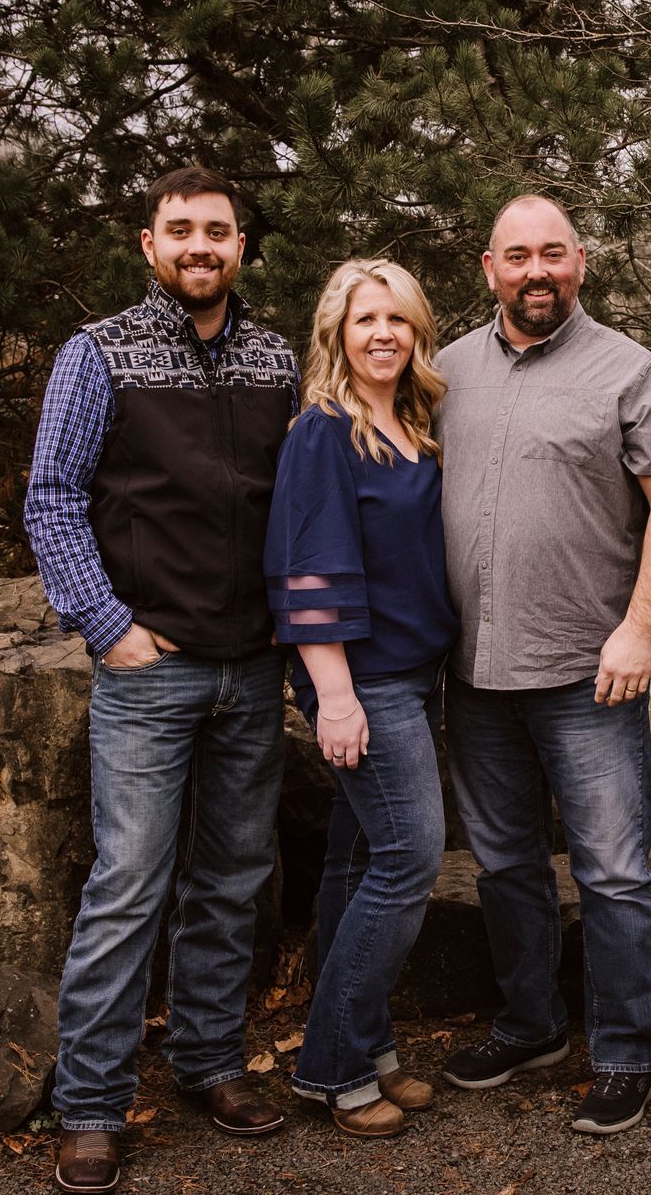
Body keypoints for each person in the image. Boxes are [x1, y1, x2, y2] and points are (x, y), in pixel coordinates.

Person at [25, 167, 298, 1194]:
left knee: (230, 880)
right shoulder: (98, 352)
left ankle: (210, 1062)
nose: (200, 246)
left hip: (252, 663)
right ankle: (90, 1103)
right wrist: (107, 625)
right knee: (128, 883)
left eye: (217, 231)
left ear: (241, 246)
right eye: (180, 230)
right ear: (150, 245)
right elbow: (52, 500)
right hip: (150, 668)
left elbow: (301, 498)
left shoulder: (276, 357)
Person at [433, 195, 651, 1135]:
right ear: (489, 266)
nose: (535, 270)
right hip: (470, 671)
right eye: (518, 256)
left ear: (580, 261)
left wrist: (640, 628)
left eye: (553, 253)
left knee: (616, 871)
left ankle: (630, 1050)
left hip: (591, 673)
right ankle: (531, 1023)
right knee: (505, 863)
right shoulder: (446, 371)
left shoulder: (631, 372)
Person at [264, 259, 457, 1138]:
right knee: (412, 857)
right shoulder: (324, 431)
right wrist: (335, 696)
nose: (384, 334)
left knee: (357, 862)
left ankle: (369, 1047)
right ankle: (331, 1066)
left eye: (399, 319)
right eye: (365, 319)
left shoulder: (411, 418)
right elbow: (309, 569)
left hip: (418, 670)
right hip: (364, 679)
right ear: (336, 331)